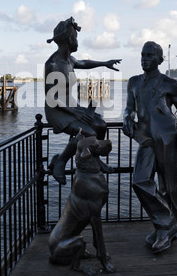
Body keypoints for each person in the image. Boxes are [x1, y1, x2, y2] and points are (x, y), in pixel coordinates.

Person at [123, 41, 177, 253]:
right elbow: (128, 108)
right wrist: (127, 116)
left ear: (160, 59)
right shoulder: (133, 82)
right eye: (143, 55)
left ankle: (165, 229)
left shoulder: (170, 84)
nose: (145, 59)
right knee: (140, 180)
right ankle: (167, 225)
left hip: (167, 137)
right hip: (145, 138)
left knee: (169, 186)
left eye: (150, 55)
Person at [44, 16, 121, 184]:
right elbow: (51, 97)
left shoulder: (69, 60)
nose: (77, 40)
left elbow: (83, 63)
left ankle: (94, 158)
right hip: (57, 110)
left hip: (71, 106)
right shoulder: (53, 65)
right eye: (75, 37)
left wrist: (104, 63)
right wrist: (75, 113)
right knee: (89, 132)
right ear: (68, 39)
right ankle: (61, 161)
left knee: (101, 125)